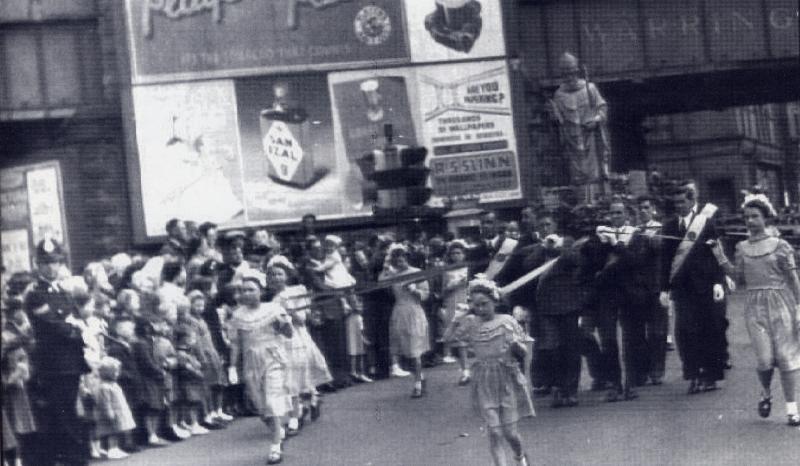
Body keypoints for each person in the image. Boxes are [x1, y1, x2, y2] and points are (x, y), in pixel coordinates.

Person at [709, 194, 800, 426]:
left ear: (765, 218)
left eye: (755, 216)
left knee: (786, 357)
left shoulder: (781, 246)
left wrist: (799, 307)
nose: (750, 221)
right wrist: (719, 255)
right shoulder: (741, 248)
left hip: (781, 304)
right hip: (754, 307)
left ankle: (792, 409)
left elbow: (793, 278)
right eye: (746, 217)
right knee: (764, 359)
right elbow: (738, 278)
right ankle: (766, 392)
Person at [450, 275, 533, 466]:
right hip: (483, 380)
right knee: (494, 432)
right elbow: (449, 339)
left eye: (484, 304)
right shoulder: (471, 323)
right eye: (476, 305)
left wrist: (514, 345)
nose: (480, 309)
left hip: (506, 378)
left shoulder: (507, 321)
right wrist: (456, 320)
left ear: (494, 301)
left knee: (510, 434)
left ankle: (520, 456)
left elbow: (523, 351)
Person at [23, 238, 91, 466]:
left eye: (55, 262)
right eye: (46, 263)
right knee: (60, 411)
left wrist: (73, 325)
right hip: (53, 363)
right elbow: (55, 325)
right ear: (37, 265)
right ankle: (69, 457)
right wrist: (73, 327)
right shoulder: (36, 294)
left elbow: (77, 319)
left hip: (70, 361)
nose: (51, 267)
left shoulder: (62, 291)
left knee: (67, 408)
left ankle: (66, 455)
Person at [660, 185, 728, 394]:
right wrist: (664, 289)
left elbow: (716, 254)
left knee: (709, 330)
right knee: (685, 332)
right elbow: (665, 259)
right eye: (676, 202)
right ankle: (693, 374)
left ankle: (710, 375)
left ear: (691, 202)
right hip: (682, 288)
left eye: (682, 201)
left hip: (706, 285)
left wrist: (719, 281)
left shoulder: (705, 223)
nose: (679, 206)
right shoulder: (669, 226)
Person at [227, 271, 294, 465]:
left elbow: (288, 334)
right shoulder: (238, 315)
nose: (246, 293)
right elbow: (236, 344)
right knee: (260, 407)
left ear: (260, 291)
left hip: (272, 357)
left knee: (273, 402)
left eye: (251, 289)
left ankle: (275, 447)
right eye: (243, 290)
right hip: (250, 362)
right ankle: (278, 431)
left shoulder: (273, 309)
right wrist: (232, 366)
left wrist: (285, 323)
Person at [267, 261, 333, 432]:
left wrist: (288, 309)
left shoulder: (295, 292)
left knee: (298, 371)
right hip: (284, 339)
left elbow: (302, 319)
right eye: (272, 275)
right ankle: (309, 401)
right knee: (291, 374)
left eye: (280, 274)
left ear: (287, 276)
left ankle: (304, 405)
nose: (276, 277)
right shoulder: (272, 300)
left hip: (298, 336)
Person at [549, 51, 610, 203]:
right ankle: (582, 201)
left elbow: (602, 108)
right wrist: (555, 117)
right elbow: (559, 122)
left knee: (595, 172)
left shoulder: (590, 88)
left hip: (590, 138)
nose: (570, 77)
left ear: (577, 72)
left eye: (572, 73)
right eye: (566, 75)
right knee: (577, 174)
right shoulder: (559, 95)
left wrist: (596, 120)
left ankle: (598, 199)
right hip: (572, 141)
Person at [380, 243, 430, 398]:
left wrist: (415, 290)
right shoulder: (393, 275)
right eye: (397, 261)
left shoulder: (416, 272)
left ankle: (418, 385)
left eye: (402, 260)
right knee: (402, 348)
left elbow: (426, 294)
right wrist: (387, 265)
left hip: (414, 312)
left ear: (407, 259)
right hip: (399, 311)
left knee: (415, 351)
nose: (400, 263)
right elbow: (381, 280)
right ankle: (420, 377)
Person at [94, 357, 137, 460]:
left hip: (118, 411)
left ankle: (115, 448)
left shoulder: (114, 385)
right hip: (112, 413)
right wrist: (109, 413)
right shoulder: (104, 387)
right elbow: (105, 402)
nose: (117, 374)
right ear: (108, 373)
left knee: (116, 431)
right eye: (115, 371)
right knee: (111, 432)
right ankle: (112, 449)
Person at [440, 239, 470, 384]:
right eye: (453, 253)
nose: (456, 256)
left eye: (458, 253)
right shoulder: (447, 270)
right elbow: (443, 291)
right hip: (454, 303)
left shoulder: (469, 268)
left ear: (464, 254)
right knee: (460, 338)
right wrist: (452, 285)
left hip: (469, 301)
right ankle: (465, 370)